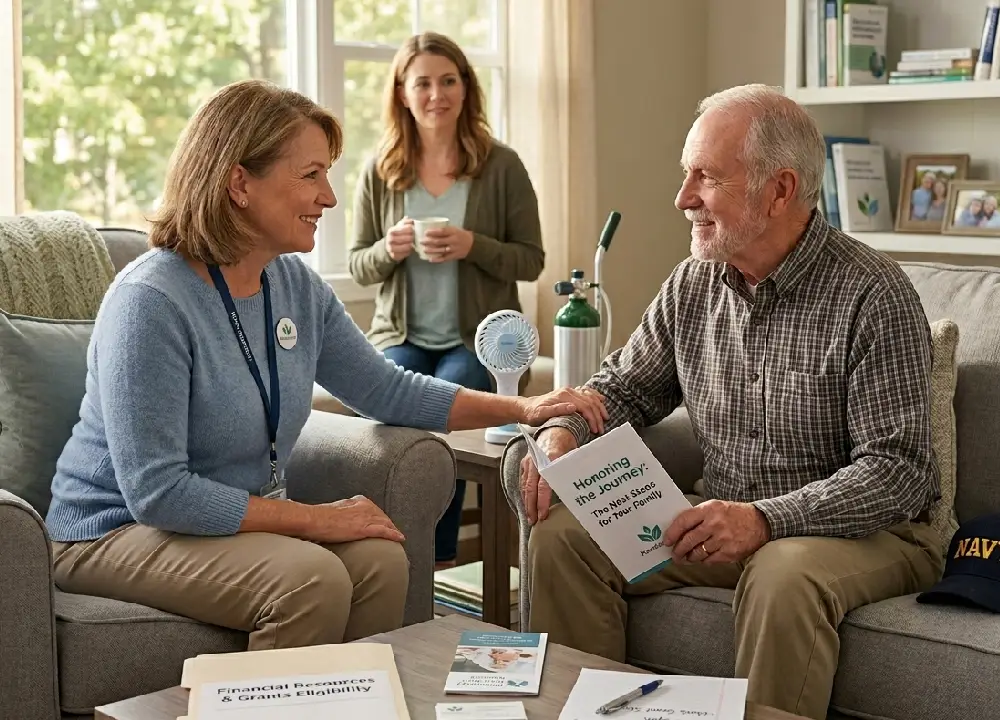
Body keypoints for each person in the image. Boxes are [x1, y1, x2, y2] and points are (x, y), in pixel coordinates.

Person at [45, 79, 605, 651]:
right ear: (239, 182)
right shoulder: (152, 300)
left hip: (216, 525)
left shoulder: (292, 286)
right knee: (309, 582)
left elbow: (385, 390)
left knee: (382, 560)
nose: (330, 197)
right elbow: (158, 493)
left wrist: (526, 406)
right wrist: (316, 520)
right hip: (116, 532)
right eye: (311, 175)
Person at [518, 84, 943, 720]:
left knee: (783, 572)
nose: (683, 199)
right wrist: (563, 434)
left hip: (870, 533)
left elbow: (899, 472)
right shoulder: (692, 284)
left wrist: (765, 519)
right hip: (724, 522)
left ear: (780, 190)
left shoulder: (875, 294)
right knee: (565, 534)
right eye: (686, 174)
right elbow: (622, 389)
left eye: (706, 177)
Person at [348, 32, 544, 570]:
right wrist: (389, 248)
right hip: (400, 336)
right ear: (403, 93)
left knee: (449, 396)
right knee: (385, 396)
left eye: (449, 80)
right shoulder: (381, 168)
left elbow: (531, 260)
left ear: (465, 87)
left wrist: (471, 245)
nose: (438, 94)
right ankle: (384, 547)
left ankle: (434, 556)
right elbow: (359, 264)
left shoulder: (500, 166)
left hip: (476, 340)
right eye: (424, 83)